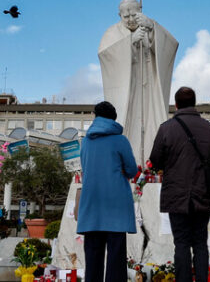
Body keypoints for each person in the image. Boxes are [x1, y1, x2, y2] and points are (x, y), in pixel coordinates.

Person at [98, 0, 179, 165]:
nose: (130, 19)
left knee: (151, 120)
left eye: (133, 15)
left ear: (140, 10)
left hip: (149, 86)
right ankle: (128, 161)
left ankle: (153, 163)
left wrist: (152, 30)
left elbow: (171, 45)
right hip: (127, 89)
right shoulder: (112, 33)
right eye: (125, 16)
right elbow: (105, 55)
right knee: (128, 122)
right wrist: (129, 42)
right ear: (119, 15)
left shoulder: (150, 25)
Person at [149, 87, 210, 282]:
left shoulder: (166, 128)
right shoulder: (209, 127)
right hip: (202, 191)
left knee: (181, 242)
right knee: (200, 243)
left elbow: (155, 160)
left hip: (176, 192)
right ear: (194, 103)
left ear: (176, 104)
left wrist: (168, 166)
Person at [77, 101, 138, 282]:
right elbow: (132, 170)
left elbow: (85, 169)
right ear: (114, 119)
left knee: (93, 258)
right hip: (116, 206)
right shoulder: (120, 140)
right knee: (116, 259)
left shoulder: (86, 142)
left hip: (92, 205)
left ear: (96, 117)